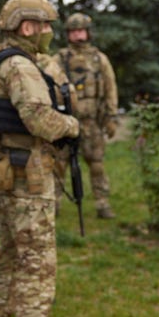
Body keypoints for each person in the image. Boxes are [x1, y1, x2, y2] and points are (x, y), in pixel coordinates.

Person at [0, 0, 81, 317]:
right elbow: (39, 118)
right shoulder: (20, 66)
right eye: (46, 25)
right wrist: (72, 126)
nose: (51, 33)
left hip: (6, 172)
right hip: (28, 177)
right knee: (38, 264)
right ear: (26, 27)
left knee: (5, 257)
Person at [50, 13, 118, 219]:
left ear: (88, 32)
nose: (78, 35)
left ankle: (102, 203)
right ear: (68, 34)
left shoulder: (99, 59)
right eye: (73, 31)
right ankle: (54, 203)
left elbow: (110, 88)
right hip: (65, 122)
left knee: (96, 163)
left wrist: (111, 116)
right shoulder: (59, 59)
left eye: (81, 30)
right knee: (59, 163)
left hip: (92, 122)